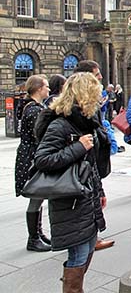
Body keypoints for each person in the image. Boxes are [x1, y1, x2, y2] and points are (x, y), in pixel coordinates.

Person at [34, 72, 108, 292]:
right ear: (84, 95)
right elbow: (43, 159)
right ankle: (72, 288)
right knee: (78, 253)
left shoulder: (85, 122)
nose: (99, 98)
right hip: (71, 200)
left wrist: (100, 191)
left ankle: (73, 286)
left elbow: (91, 165)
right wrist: (78, 147)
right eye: (95, 93)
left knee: (87, 249)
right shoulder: (61, 124)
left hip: (87, 196)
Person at [73, 60, 115, 252]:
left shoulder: (91, 105)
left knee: (96, 197)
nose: (100, 78)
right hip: (82, 164)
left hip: (91, 161)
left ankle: (92, 236)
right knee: (87, 199)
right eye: (97, 75)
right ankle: (88, 239)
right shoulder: (77, 109)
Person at [14, 74, 52, 252]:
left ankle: (38, 233)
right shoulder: (35, 109)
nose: (49, 89)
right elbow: (41, 136)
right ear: (38, 89)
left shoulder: (30, 106)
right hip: (33, 156)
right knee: (36, 197)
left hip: (28, 154)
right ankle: (33, 238)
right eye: (46, 86)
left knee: (38, 196)